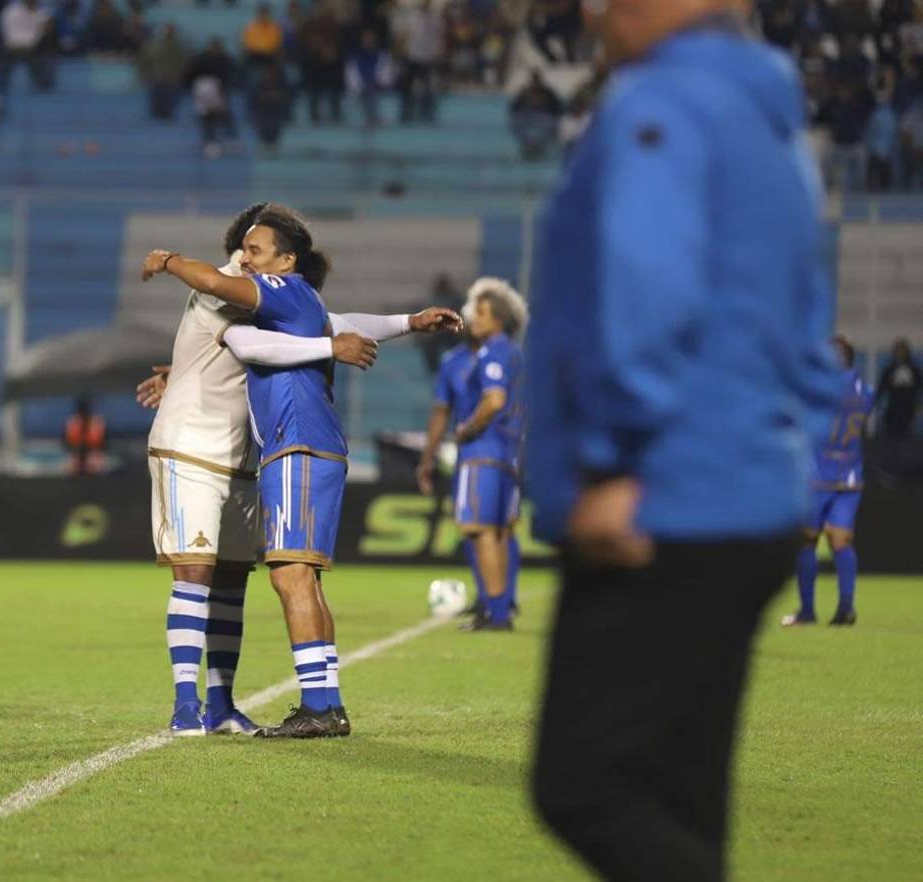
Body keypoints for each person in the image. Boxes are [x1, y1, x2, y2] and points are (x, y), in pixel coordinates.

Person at [525, 3, 842, 881]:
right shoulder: (770, 118)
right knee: (679, 804)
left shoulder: (660, 102)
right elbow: (807, 318)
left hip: (664, 497)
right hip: (748, 488)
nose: (590, 12)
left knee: (588, 787)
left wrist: (615, 462)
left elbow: (642, 286)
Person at [138, 205, 460, 739]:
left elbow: (332, 326)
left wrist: (403, 323)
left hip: (261, 452)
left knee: (256, 579)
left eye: (256, 248)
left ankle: (248, 705)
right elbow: (251, 340)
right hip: (193, 445)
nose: (246, 255)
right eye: (242, 248)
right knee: (206, 572)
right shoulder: (233, 289)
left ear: (285, 263)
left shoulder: (277, 296)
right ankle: (187, 704)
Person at [418, 277, 527, 628]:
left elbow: (492, 400)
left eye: (482, 313)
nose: (474, 319)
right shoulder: (511, 353)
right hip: (509, 453)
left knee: (480, 530)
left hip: (482, 451)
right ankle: (499, 604)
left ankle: (496, 610)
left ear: (499, 318)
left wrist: (467, 429)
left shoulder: (492, 352)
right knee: (499, 530)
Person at [784, 337, 873, 628]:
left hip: (816, 473)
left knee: (807, 541)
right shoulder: (865, 390)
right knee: (842, 542)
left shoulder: (817, 388)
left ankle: (807, 612)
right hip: (849, 475)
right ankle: (846, 608)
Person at [394, 0, 444, 124]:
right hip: (412, 56)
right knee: (407, 88)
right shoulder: (412, 17)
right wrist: (400, 50)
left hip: (428, 57)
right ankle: (406, 114)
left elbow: (440, 36)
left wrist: (438, 51)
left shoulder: (436, 18)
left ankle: (427, 115)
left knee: (428, 88)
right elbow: (404, 35)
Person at [136, 24, 190, 120]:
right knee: (158, 106)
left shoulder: (181, 47)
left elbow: (186, 64)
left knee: (169, 106)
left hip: (172, 80)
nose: (169, 34)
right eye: (168, 31)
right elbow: (144, 62)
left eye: (171, 32)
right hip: (158, 79)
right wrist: (145, 75)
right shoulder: (154, 46)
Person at [0, 0, 56, 92]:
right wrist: (21, 44)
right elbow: (8, 33)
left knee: (44, 53)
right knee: (5, 54)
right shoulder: (11, 11)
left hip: (33, 47)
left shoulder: (43, 13)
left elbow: (44, 32)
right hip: (13, 46)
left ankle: (42, 84)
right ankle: (1, 84)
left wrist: (32, 44)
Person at [876, 338, 921, 437]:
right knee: (891, 435)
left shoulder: (914, 369)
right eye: (899, 350)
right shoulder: (890, 369)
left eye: (903, 350)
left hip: (909, 409)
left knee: (907, 435)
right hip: (893, 408)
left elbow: (919, 387)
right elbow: (881, 388)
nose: (900, 353)